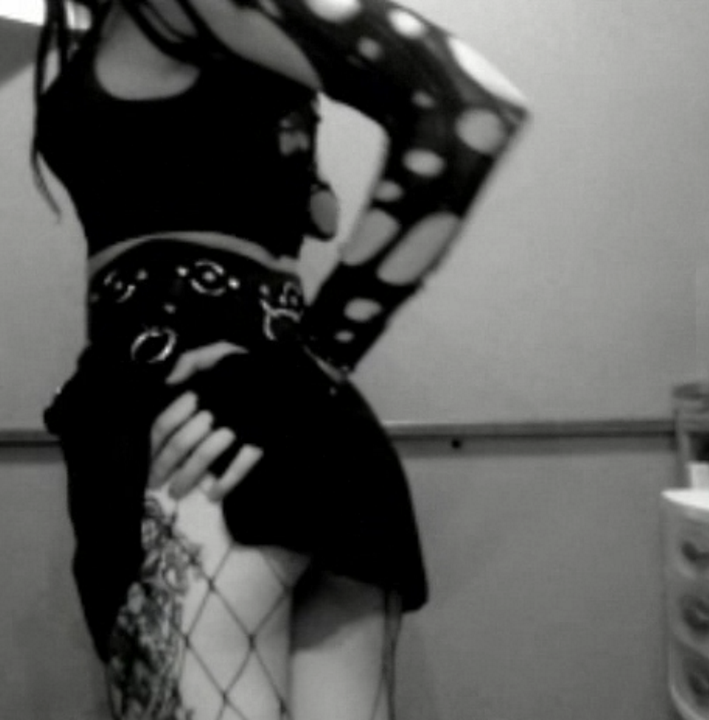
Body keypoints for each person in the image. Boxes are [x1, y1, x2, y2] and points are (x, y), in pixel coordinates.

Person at [33, 0, 529, 715]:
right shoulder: (185, 29)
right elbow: (315, 214)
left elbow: (467, 106)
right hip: (294, 428)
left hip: (202, 435)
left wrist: (309, 359)